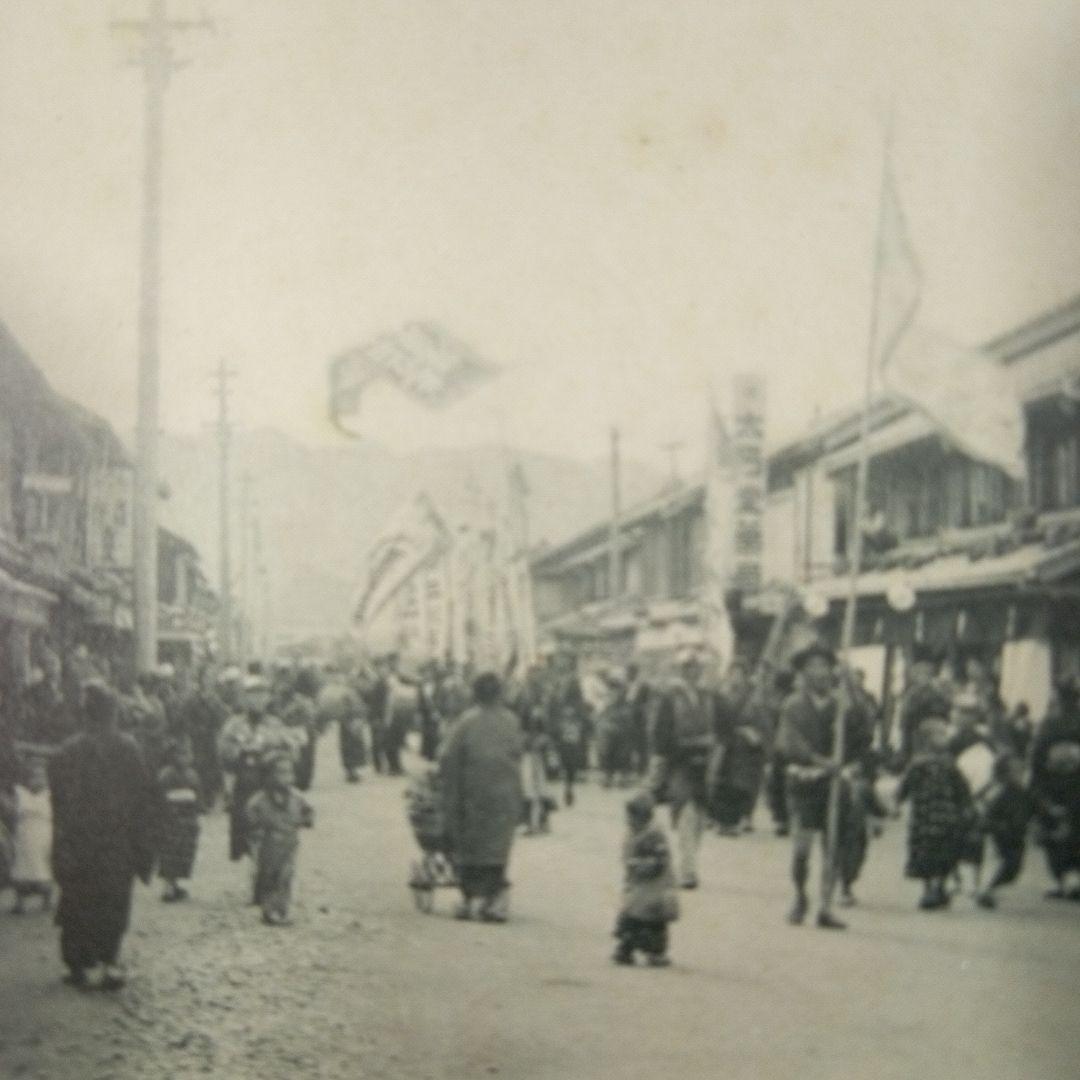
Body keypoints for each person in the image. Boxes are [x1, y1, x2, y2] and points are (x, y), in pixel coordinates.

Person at [47, 681, 156, 990]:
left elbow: (59, 800)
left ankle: (77, 965)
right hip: (115, 841)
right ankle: (109, 963)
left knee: (76, 899)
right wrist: (143, 848)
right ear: (112, 713)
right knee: (113, 902)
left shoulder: (66, 750)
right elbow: (142, 800)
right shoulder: (128, 748)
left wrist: (62, 839)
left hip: (78, 839)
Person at [775, 644, 872, 930]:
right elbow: (789, 742)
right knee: (802, 847)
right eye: (812, 667)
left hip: (833, 781)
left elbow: (863, 730)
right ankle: (800, 896)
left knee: (832, 845)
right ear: (803, 673)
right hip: (804, 780)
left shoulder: (842, 703)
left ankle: (825, 905)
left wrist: (852, 689)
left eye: (824, 666)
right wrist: (818, 760)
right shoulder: (793, 704)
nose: (819, 672)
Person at [439, 672, 523, 922]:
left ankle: (469, 898)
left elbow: (447, 757)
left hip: (472, 796)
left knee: (469, 845)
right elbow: (517, 754)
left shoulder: (466, 722)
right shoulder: (511, 721)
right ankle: (493, 899)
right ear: (499, 694)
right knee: (497, 848)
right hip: (504, 796)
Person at [650, 650, 717, 890]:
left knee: (699, 815)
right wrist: (673, 752)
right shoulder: (670, 697)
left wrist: (713, 743)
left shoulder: (707, 696)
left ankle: (690, 861)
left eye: (696, 668)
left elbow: (723, 725)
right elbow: (660, 734)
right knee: (685, 811)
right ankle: (688, 869)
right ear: (681, 671)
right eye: (688, 668)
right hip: (680, 762)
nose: (692, 672)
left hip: (705, 763)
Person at [218, 675, 302, 864]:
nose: (257, 700)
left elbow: (291, 752)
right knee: (245, 828)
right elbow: (223, 752)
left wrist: (274, 752)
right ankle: (253, 863)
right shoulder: (233, 725)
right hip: (244, 785)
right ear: (244, 698)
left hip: (268, 785)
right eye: (252, 695)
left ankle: (264, 866)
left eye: (262, 695)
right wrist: (241, 751)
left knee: (269, 829)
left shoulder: (275, 724)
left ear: (268, 699)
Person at [896, 718, 972, 911]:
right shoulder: (919, 764)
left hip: (945, 818)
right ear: (927, 739)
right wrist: (897, 803)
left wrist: (966, 806)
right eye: (939, 734)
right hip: (925, 817)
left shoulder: (949, 764)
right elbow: (905, 786)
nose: (944, 738)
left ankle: (938, 888)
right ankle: (931, 889)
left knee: (943, 852)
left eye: (944, 734)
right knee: (927, 853)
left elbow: (962, 789)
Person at [246, 753, 314, 926]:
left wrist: (306, 820)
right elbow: (250, 816)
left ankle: (281, 910)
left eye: (289, 773)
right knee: (269, 876)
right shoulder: (260, 800)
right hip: (268, 845)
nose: (287, 778)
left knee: (286, 876)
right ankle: (269, 910)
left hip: (289, 844)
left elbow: (308, 811)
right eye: (281, 773)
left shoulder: (296, 797)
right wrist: (256, 832)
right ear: (268, 776)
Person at [612, 791, 678, 968]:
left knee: (653, 923)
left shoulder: (655, 835)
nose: (630, 821)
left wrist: (643, 866)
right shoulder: (633, 833)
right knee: (631, 918)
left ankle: (655, 952)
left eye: (634, 817)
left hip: (654, 888)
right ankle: (625, 948)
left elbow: (660, 861)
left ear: (645, 817)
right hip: (638, 887)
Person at [1031, 679, 1080, 900]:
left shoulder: (1049, 723)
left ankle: (1062, 880)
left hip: (1052, 783)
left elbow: (1037, 756)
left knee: (1054, 830)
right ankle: (1073, 878)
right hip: (1075, 781)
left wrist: (1036, 782)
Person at [709, 660, 769, 835]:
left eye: (739, 674)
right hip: (726, 745)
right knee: (723, 781)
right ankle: (722, 820)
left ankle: (743, 817)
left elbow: (763, 722)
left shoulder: (754, 697)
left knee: (743, 784)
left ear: (745, 677)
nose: (735, 678)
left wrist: (756, 735)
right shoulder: (722, 695)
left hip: (746, 748)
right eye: (732, 673)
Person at [976, 754, 1036, 910]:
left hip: (1018, 834)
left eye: (1021, 771)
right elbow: (989, 814)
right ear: (1004, 774)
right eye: (1015, 772)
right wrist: (993, 826)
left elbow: (1036, 807)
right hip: (1004, 834)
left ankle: (990, 890)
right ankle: (988, 891)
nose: (1020, 775)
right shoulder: (1002, 793)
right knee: (1010, 863)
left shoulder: (1023, 792)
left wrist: (1050, 814)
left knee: (1014, 867)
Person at [156, 737, 201, 903]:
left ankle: (174, 884)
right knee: (170, 853)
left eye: (189, 754)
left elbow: (198, 797)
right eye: (181, 754)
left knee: (183, 853)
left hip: (188, 821)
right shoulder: (166, 774)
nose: (186, 758)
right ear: (173, 756)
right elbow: (160, 798)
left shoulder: (192, 775)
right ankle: (168, 886)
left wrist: (196, 815)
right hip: (171, 820)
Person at [6, 755, 53, 914]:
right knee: (21, 865)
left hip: (44, 832)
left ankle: (46, 900)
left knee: (43, 865)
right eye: (32, 775)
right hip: (24, 832)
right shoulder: (19, 792)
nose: (36, 779)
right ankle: (20, 902)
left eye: (40, 775)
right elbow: (11, 810)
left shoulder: (50, 793)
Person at [281, 669, 321, 792]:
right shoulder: (309, 698)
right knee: (308, 755)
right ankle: (306, 781)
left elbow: (286, 714)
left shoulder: (296, 698)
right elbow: (315, 714)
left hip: (299, 728)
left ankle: (300, 780)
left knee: (299, 755)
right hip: (309, 728)